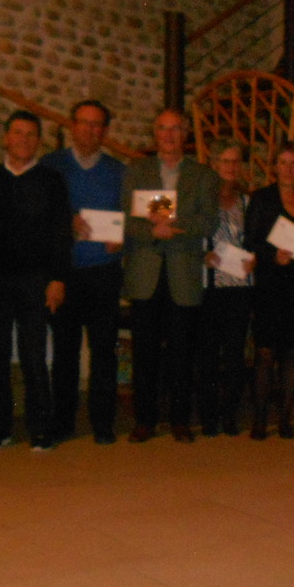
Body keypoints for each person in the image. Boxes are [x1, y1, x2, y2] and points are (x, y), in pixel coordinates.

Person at [121, 108, 219, 442]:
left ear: (186, 133)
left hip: (183, 273)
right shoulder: (137, 171)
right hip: (145, 271)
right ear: (155, 133)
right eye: (162, 128)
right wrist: (152, 232)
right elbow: (127, 219)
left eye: (175, 129)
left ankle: (179, 420)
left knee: (182, 351)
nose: (168, 135)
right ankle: (145, 420)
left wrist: (172, 223)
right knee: (144, 350)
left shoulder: (203, 175)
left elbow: (209, 222)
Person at [0, 110, 71, 452]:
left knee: (34, 356)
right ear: (6, 137)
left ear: (38, 141)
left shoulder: (51, 180)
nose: (24, 140)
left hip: (36, 280)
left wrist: (58, 278)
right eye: (18, 133)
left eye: (31, 134)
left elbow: (61, 233)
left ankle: (41, 429)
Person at [42, 99, 125, 445]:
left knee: (105, 351)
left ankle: (103, 423)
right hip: (65, 272)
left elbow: (133, 219)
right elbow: (38, 216)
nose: (90, 130)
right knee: (65, 351)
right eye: (84, 122)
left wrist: (122, 240)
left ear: (104, 131)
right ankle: (63, 421)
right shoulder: (51, 166)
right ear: (72, 126)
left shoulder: (119, 171)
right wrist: (66, 222)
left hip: (104, 271)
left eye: (97, 124)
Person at [245, 142, 294, 440]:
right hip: (269, 284)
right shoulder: (261, 199)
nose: (288, 168)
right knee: (265, 353)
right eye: (283, 162)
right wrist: (272, 255)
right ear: (274, 166)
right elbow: (250, 241)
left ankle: (286, 417)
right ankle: (260, 419)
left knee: (292, 353)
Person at [197, 139, 254, 437]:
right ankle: (208, 415)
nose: (231, 167)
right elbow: (187, 236)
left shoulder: (247, 202)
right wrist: (201, 255)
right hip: (210, 286)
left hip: (239, 287)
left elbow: (255, 241)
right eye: (225, 161)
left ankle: (230, 413)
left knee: (234, 354)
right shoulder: (201, 199)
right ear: (214, 164)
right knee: (208, 354)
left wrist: (254, 259)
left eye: (235, 161)